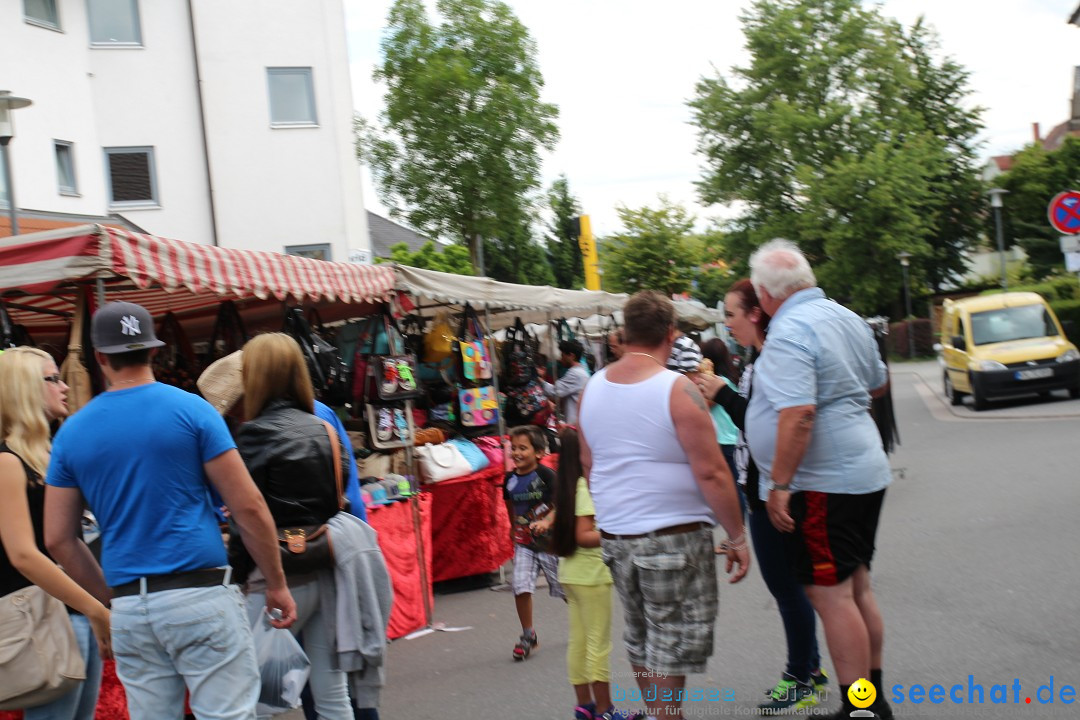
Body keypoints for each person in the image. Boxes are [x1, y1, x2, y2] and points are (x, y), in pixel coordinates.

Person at [44, 301, 296, 720]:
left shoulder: (72, 432)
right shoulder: (192, 410)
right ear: (154, 351)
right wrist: (277, 582)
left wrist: (111, 601)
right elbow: (248, 507)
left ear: (101, 357)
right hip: (199, 592)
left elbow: (58, 538)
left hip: (131, 604)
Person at [577, 290, 749, 720]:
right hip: (672, 537)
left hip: (618, 536)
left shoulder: (592, 389)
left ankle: (657, 715)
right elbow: (711, 472)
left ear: (624, 334)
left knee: (641, 636)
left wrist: (618, 511)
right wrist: (738, 535)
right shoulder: (676, 389)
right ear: (670, 334)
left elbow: (588, 464)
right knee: (669, 641)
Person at [744, 241, 893, 720]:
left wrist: (781, 484)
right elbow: (878, 381)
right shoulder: (845, 316)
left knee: (831, 596)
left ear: (765, 293)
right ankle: (874, 700)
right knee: (856, 587)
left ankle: (860, 706)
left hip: (826, 481)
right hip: (862, 468)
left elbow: (799, 414)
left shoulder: (789, 331)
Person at [697, 280, 828, 713]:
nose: (727, 324)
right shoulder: (760, 355)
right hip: (768, 486)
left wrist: (721, 394)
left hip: (770, 488)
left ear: (754, 314)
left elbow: (761, 423)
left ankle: (800, 676)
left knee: (789, 589)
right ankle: (811, 667)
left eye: (731, 314)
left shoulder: (771, 355)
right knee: (796, 587)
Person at [230, 333, 354, 720]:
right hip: (324, 565)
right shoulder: (326, 429)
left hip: (272, 578)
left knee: (258, 699)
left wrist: (235, 575)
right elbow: (339, 498)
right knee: (333, 696)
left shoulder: (253, 434)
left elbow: (246, 515)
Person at [0, 347, 111, 720]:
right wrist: (95, 607)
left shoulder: (43, 457)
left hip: (69, 613)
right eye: (53, 378)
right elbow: (24, 555)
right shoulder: (7, 462)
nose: (64, 387)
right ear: (26, 389)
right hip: (43, 620)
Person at [550, 427, 634, 720]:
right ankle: (605, 710)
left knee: (580, 641)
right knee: (598, 644)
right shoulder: (584, 487)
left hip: (571, 573)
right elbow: (584, 534)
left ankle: (584, 706)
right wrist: (617, 531)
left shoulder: (566, 487)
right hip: (591, 575)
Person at [503, 424, 564, 661]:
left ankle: (585, 622)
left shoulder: (547, 475)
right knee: (520, 585)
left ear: (538, 452)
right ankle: (528, 634)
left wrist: (548, 522)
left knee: (565, 588)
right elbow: (509, 503)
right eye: (513, 448)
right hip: (524, 543)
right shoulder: (509, 480)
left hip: (549, 544)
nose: (517, 453)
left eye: (523, 448)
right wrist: (511, 526)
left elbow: (562, 503)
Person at [542, 339, 590, 424]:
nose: (561, 359)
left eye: (563, 355)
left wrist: (539, 381)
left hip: (574, 423)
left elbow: (555, 391)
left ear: (571, 356)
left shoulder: (575, 374)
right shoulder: (581, 371)